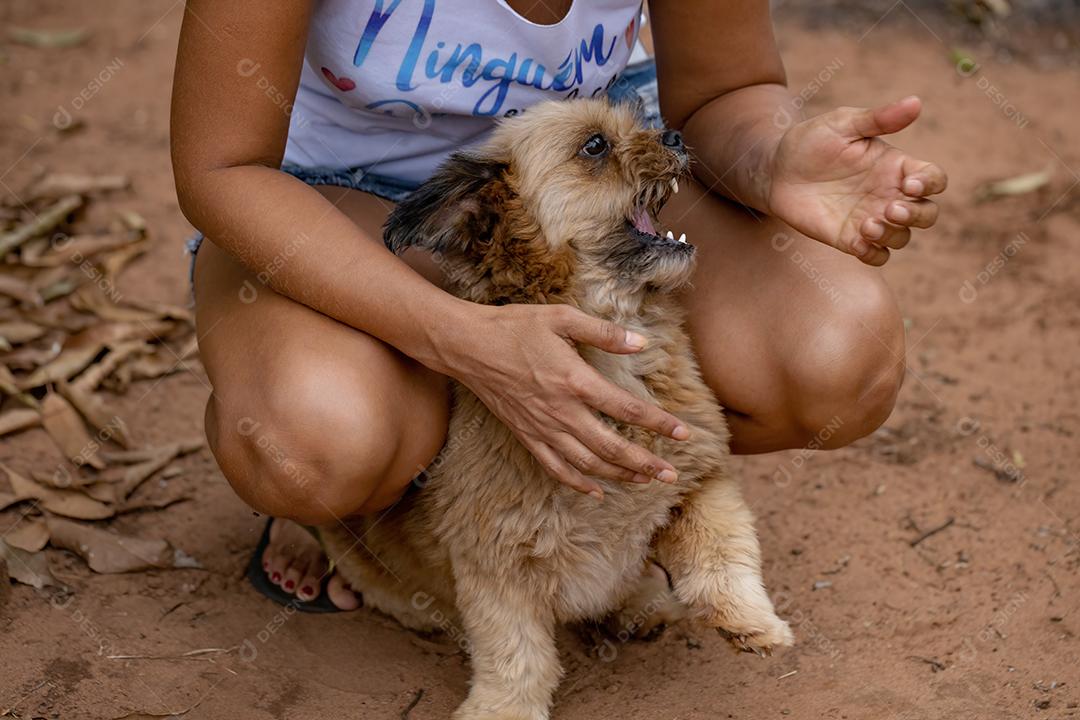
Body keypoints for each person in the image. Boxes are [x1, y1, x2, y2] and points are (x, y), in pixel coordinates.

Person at [171, 0, 946, 610]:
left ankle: (588, 512)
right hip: (336, 197)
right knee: (313, 445)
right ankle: (367, 514)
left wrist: (768, 158)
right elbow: (223, 166)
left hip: (589, 170)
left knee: (837, 355)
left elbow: (725, 88)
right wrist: (458, 336)